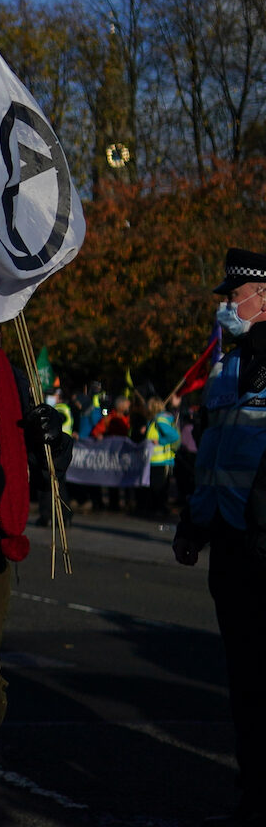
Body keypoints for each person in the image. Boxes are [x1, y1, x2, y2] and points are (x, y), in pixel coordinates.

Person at [175, 247, 266, 824]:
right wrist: (194, 524)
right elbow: (212, 454)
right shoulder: (228, 365)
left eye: (235, 297)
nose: (227, 307)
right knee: (245, 679)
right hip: (230, 543)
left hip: (264, 542)